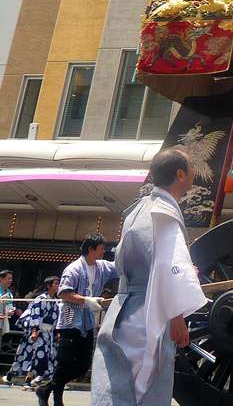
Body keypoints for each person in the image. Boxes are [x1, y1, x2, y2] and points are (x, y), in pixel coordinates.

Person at [91, 148, 208, 406]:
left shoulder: (140, 207)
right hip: (148, 313)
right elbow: (167, 265)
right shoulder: (164, 212)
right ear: (180, 174)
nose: (193, 173)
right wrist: (176, 314)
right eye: (191, 167)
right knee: (143, 386)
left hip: (125, 307)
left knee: (118, 380)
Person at [37, 233, 118, 406]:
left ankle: (46, 389)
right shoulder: (73, 269)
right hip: (70, 319)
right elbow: (65, 293)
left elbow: (119, 268)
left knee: (83, 364)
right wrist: (87, 300)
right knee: (65, 362)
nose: (104, 251)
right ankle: (57, 400)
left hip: (87, 320)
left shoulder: (102, 267)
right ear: (91, 248)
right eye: (102, 248)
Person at [4, 277, 59, 388]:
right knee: (32, 355)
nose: (58, 286)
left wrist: (56, 332)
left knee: (41, 356)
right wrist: (34, 330)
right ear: (49, 286)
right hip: (37, 331)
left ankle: (28, 379)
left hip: (48, 333)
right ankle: (22, 378)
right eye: (56, 284)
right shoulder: (41, 299)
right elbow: (35, 314)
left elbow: (56, 318)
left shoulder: (56, 300)